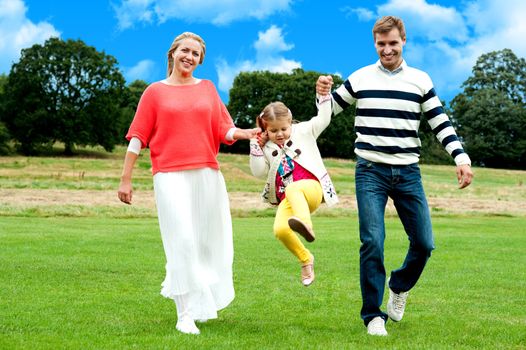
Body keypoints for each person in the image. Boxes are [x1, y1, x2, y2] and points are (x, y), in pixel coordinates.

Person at [316, 16, 474, 336]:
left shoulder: (420, 80)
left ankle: (399, 287)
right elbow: (328, 112)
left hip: (408, 172)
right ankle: (373, 316)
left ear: (404, 41)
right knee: (373, 241)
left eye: (392, 43)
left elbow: (440, 123)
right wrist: (322, 96)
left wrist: (461, 157)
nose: (387, 49)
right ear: (375, 44)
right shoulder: (361, 77)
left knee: (425, 243)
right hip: (370, 171)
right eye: (381, 44)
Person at [117, 32, 258, 335]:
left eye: (196, 54)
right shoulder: (154, 92)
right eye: (185, 51)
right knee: (181, 241)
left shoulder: (207, 89)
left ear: (200, 60)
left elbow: (225, 130)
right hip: (168, 176)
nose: (189, 57)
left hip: (207, 175)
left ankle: (200, 304)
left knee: (207, 244)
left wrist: (245, 134)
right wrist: (125, 179)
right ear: (172, 53)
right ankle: (184, 315)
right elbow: (138, 138)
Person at [249, 97, 338, 287]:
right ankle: (306, 260)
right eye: (273, 131)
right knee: (280, 230)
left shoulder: (304, 131)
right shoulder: (266, 146)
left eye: (283, 129)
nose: (279, 134)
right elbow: (258, 172)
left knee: (293, 187)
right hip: (288, 199)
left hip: (311, 191)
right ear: (265, 129)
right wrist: (255, 145)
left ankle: (305, 225)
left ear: (290, 121)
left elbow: (324, 118)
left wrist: (323, 96)